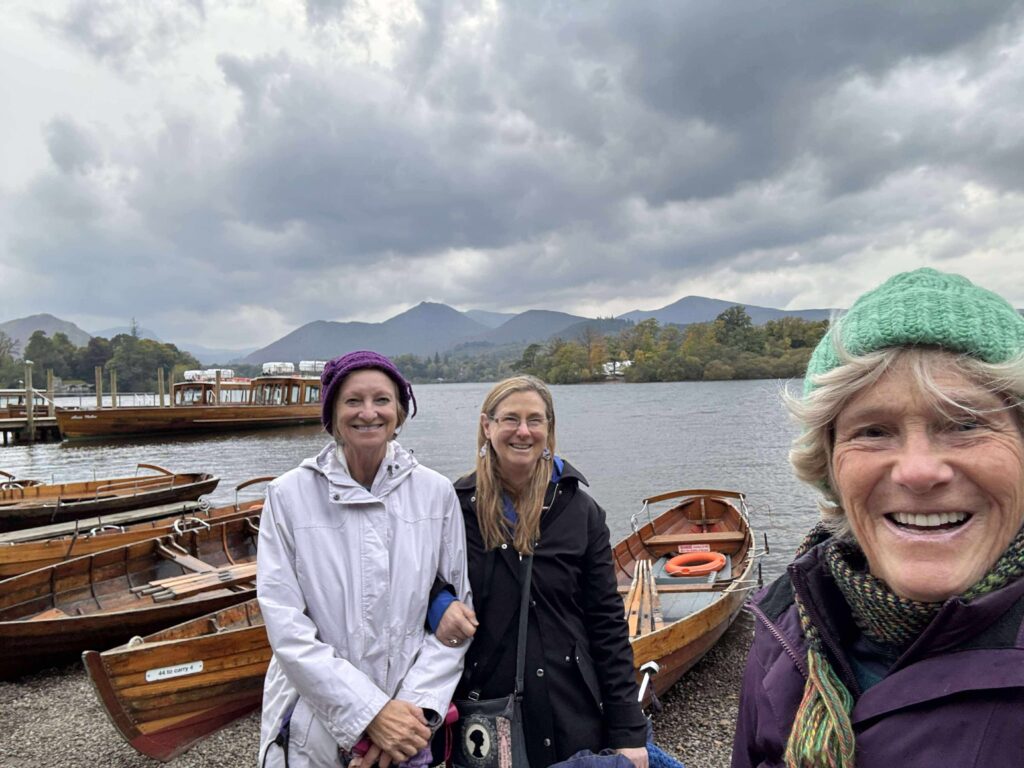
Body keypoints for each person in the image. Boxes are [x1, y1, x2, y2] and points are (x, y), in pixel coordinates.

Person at [732, 268, 1024, 768]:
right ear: (829, 466)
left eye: (965, 423)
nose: (918, 471)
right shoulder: (787, 621)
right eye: (872, 431)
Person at [257, 350, 470, 768]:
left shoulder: (435, 493)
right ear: (332, 413)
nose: (368, 413)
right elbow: (285, 626)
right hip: (311, 727)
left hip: (409, 729)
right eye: (353, 400)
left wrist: (408, 717)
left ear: (400, 411)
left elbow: (458, 619)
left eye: (382, 400)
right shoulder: (288, 496)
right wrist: (370, 713)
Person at [435, 375, 649, 768]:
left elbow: (606, 624)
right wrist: (439, 605)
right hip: (487, 712)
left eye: (535, 420)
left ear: (549, 429)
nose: (523, 431)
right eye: (510, 419)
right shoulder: (454, 507)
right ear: (487, 426)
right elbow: (415, 583)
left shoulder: (580, 512)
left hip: (572, 708)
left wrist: (628, 732)